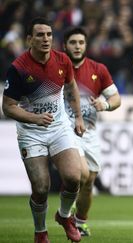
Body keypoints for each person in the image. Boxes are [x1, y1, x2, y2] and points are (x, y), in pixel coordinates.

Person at [2, 17, 83, 243]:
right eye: (40, 35)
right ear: (29, 39)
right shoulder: (18, 69)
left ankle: (65, 216)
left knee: (74, 177)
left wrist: (77, 117)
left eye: (48, 34)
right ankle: (40, 232)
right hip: (31, 131)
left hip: (58, 127)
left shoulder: (63, 60)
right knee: (40, 187)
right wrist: (34, 118)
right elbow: (7, 107)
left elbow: (71, 86)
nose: (46, 39)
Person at [63, 26, 121, 237]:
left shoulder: (98, 69)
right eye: (73, 42)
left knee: (89, 182)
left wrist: (104, 105)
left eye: (81, 42)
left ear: (86, 45)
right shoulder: (57, 67)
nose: (77, 46)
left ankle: (80, 221)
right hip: (65, 130)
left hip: (90, 131)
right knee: (79, 174)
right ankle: (64, 213)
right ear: (65, 46)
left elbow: (116, 99)